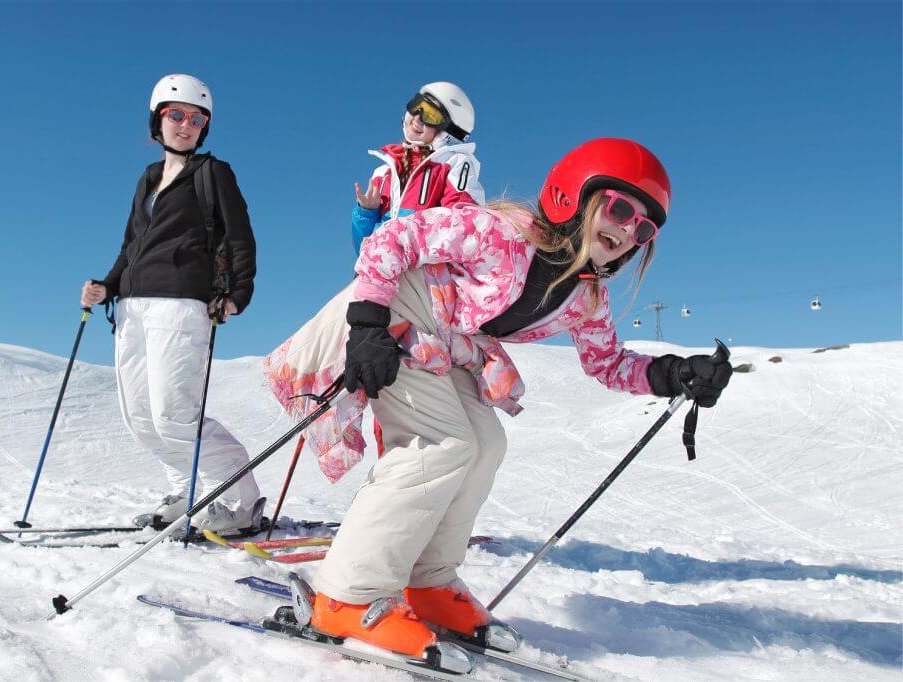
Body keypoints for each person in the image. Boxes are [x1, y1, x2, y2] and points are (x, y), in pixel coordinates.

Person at [262, 138, 732, 672]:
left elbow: (608, 363)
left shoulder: (585, 296)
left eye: (643, 228)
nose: (627, 230)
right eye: (620, 208)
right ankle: (346, 595)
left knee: (486, 444)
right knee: (439, 445)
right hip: (396, 310)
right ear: (573, 195)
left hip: (446, 338)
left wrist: (675, 373)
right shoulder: (502, 233)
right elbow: (397, 236)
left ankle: (428, 582)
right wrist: (367, 323)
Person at [81, 74, 263, 533]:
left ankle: (241, 504)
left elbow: (241, 237)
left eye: (197, 118)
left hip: (182, 306)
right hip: (132, 307)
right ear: (157, 121)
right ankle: (187, 492)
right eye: (175, 114)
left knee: (175, 414)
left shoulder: (212, 173)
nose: (186, 124)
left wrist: (238, 294)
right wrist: (107, 284)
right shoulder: (147, 178)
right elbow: (131, 244)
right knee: (140, 416)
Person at [351, 82, 484, 253]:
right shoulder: (384, 172)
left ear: (447, 132)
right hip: (378, 269)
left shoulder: (452, 165)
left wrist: (399, 242)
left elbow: (462, 225)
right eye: (417, 105)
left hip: (422, 272)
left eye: (431, 115)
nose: (417, 117)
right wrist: (367, 213)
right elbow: (361, 248)